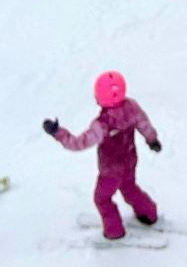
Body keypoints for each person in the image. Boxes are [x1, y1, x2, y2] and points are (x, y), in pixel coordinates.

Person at [43, 71, 162, 241]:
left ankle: (114, 231)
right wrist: (152, 139)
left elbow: (78, 143)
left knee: (102, 199)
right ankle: (149, 213)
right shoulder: (131, 107)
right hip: (129, 160)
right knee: (129, 187)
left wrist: (58, 133)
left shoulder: (102, 125)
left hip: (110, 171)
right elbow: (143, 123)